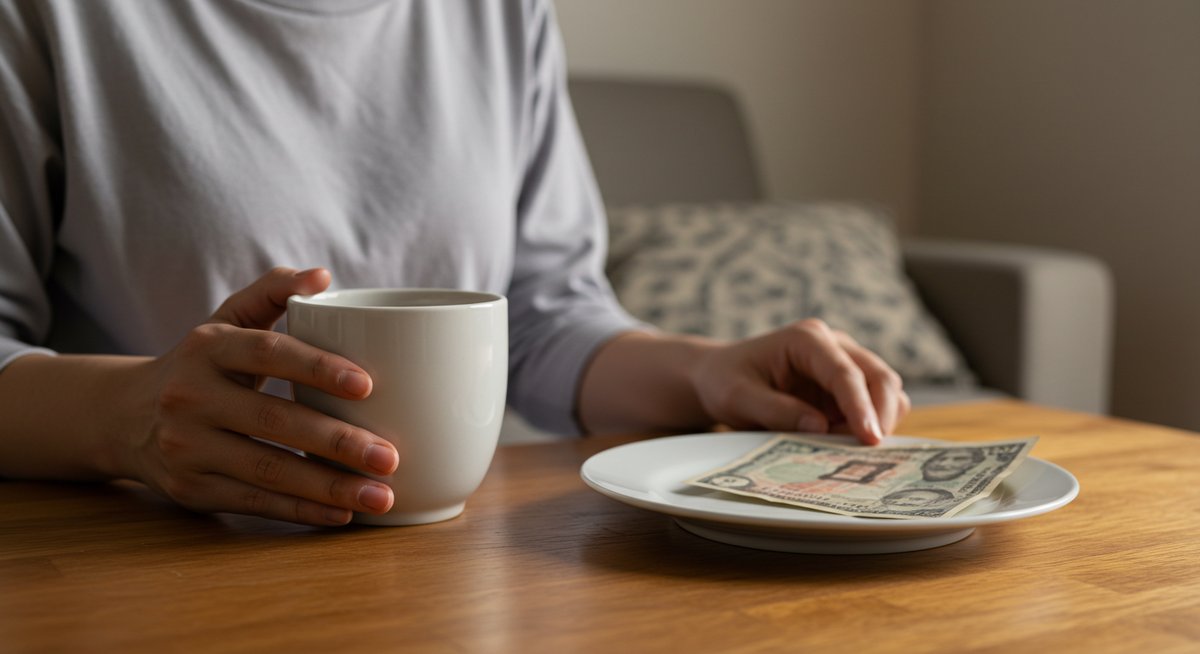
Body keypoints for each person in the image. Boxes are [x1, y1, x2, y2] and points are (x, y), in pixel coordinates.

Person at [0, 0, 909, 526]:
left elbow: (544, 319)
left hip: (460, 566)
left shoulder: (500, 13)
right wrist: (128, 418)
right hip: (155, 563)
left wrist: (709, 371)